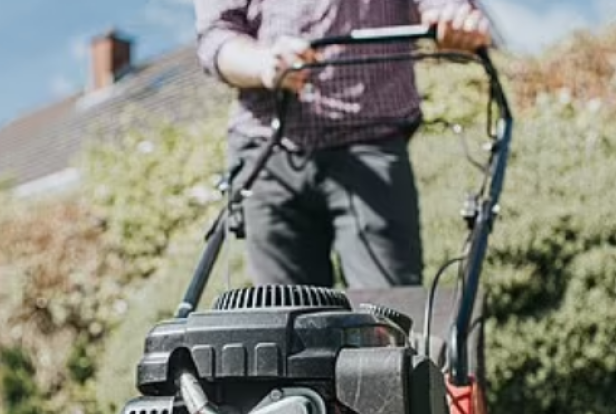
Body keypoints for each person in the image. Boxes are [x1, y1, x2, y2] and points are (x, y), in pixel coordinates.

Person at [193, 0, 492, 289]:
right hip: (266, 151)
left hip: (372, 143)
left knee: (388, 317)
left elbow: (444, 8)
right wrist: (264, 62)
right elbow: (216, 37)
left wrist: (454, 19)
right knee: (282, 320)